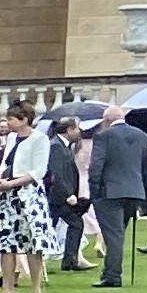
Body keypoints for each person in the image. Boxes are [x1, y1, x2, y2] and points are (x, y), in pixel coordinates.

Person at [0, 101, 55, 293]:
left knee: (33, 245)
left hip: (29, 197)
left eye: (12, 119)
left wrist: (12, 184)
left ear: (24, 119)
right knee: (6, 244)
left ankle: (36, 291)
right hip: (7, 197)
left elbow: (38, 172)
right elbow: (5, 162)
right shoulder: (12, 138)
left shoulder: (40, 139)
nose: (8, 123)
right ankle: (7, 290)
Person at [88, 106, 147, 289]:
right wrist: (144, 191)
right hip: (134, 192)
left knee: (114, 236)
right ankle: (109, 272)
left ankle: (112, 276)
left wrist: (95, 191)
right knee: (117, 234)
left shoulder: (104, 136)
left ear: (107, 120)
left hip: (110, 193)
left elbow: (96, 166)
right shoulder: (141, 135)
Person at [47, 116, 89, 271]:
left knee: (72, 223)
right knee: (74, 223)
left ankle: (69, 260)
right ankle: (69, 260)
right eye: (76, 128)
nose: (79, 132)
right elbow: (56, 174)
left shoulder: (63, 145)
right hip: (57, 197)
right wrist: (67, 194)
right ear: (69, 130)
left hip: (60, 196)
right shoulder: (56, 146)